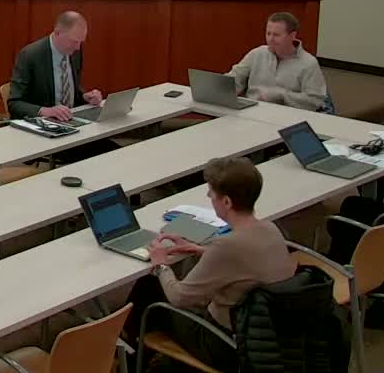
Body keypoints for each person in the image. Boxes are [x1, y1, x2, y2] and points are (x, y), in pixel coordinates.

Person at [124, 157, 295, 371]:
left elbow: (179, 298)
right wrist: (202, 250)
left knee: (149, 289)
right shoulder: (271, 229)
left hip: (226, 345)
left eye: (212, 193)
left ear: (227, 202)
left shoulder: (226, 246)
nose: (208, 196)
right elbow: (245, 260)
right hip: (269, 335)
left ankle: (129, 359)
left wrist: (161, 265)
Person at [8, 10, 103, 121]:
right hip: (42, 123)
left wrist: (85, 97)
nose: (77, 47)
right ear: (58, 33)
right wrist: (45, 111)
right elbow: (14, 103)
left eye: (80, 42)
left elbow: (69, 89)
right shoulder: (30, 55)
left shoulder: (74, 52)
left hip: (70, 119)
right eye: (74, 42)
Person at [227, 12, 326, 110]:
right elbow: (234, 79)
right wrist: (221, 86)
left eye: (276, 35)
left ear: (292, 36)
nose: (270, 39)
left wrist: (282, 95)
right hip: (252, 110)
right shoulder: (257, 53)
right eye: (268, 33)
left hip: (287, 114)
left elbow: (315, 101)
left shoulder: (308, 63)